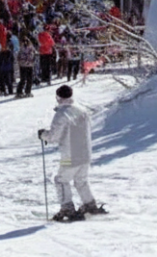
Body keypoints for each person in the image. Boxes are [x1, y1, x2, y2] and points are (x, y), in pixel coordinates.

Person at [37, 84, 105, 221]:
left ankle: (67, 208)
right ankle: (90, 204)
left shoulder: (61, 114)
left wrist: (43, 134)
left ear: (58, 97)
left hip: (70, 155)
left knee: (61, 180)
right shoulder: (82, 111)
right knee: (81, 180)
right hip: (85, 154)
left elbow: (53, 136)